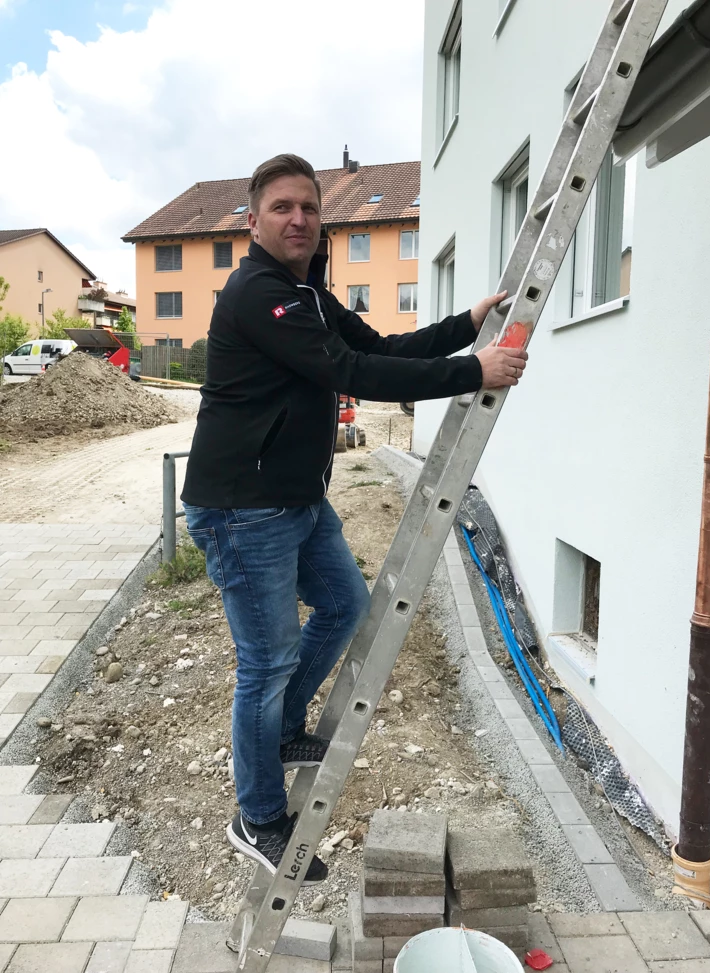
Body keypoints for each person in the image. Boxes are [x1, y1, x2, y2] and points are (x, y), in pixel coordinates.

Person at [181, 153, 528, 884]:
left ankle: (280, 731)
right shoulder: (257, 293)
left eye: (309, 206)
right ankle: (257, 816)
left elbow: (376, 348)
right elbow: (354, 375)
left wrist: (464, 326)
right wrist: (474, 370)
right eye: (282, 207)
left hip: (295, 500)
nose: (299, 218)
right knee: (267, 661)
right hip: (243, 510)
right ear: (254, 221)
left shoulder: (308, 292)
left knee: (345, 605)